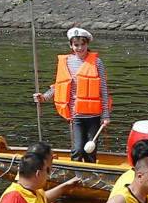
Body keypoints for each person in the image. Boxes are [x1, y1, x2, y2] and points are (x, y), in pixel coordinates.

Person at [35, 27, 110, 160]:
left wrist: (105, 115)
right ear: (70, 45)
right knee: (78, 149)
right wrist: (44, 97)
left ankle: (89, 175)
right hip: (76, 115)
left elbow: (103, 89)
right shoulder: (66, 62)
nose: (80, 48)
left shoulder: (97, 62)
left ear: (88, 44)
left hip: (94, 115)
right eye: (76, 45)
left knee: (90, 150)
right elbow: (59, 86)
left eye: (83, 44)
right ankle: (74, 176)